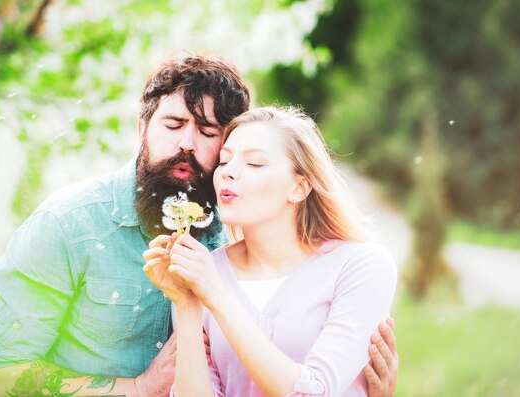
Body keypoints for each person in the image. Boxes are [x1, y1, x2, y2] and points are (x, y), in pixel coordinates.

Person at [0, 56, 398, 397]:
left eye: (209, 132)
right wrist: (137, 389)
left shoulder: (231, 230)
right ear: (142, 128)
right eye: (173, 125)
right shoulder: (68, 226)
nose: (187, 144)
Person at [143, 106, 398, 397]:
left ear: (299, 188)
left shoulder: (361, 266)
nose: (228, 173)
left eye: (254, 164)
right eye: (224, 161)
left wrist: (216, 296)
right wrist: (187, 304)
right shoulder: (204, 273)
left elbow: (314, 392)